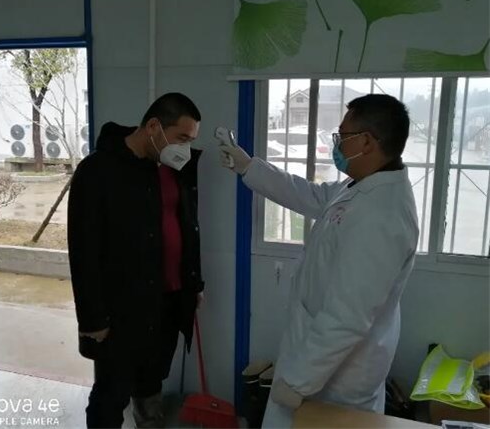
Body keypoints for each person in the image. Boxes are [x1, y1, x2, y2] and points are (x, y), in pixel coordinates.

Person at [221, 94, 419, 427]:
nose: (337, 143)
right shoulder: (360, 188)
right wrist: (249, 166)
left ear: (367, 142)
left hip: (337, 379)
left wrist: (297, 382)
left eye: (343, 135)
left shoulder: (382, 215)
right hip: (319, 365)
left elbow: (348, 316)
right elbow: (310, 194)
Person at [68, 93, 205, 428]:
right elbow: (83, 250)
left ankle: (149, 422)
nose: (185, 148)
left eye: (190, 141)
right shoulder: (98, 172)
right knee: (112, 392)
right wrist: (92, 318)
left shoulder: (173, 169)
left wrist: (193, 282)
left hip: (168, 300)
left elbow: (187, 227)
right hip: (121, 309)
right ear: (154, 126)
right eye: (182, 138)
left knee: (152, 380)